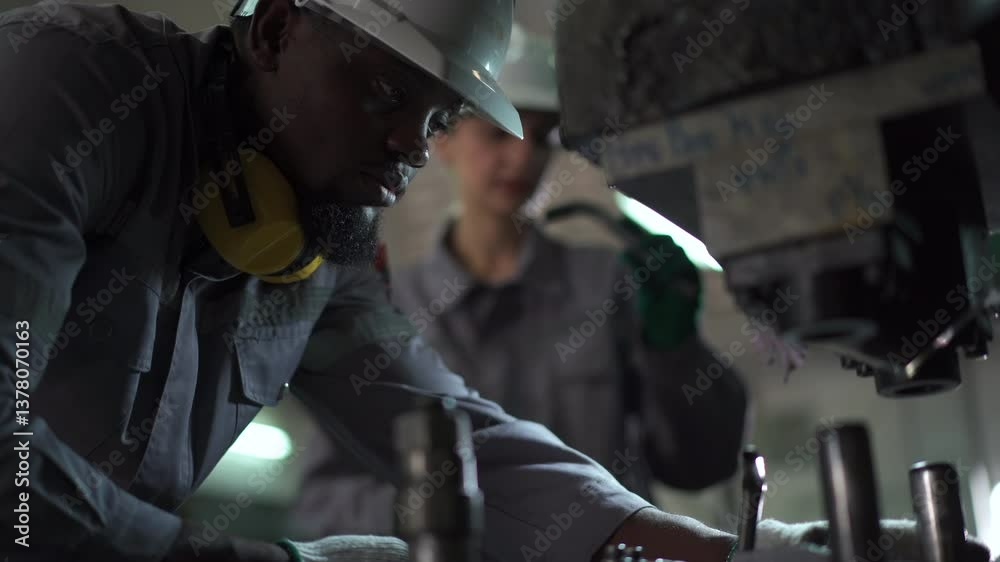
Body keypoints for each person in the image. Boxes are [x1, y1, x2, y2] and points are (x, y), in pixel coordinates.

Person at [0, 1, 988, 561]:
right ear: (274, 29)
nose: (407, 148)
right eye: (386, 94)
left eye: (432, 121)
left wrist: (708, 551)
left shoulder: (315, 239)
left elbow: (447, 428)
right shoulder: (70, 93)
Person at [291, 23, 749, 538]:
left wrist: (677, 350)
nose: (522, 156)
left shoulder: (610, 287)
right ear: (441, 140)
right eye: (500, 134)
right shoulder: (389, 306)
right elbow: (325, 503)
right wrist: (450, 517)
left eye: (544, 137)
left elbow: (701, 466)